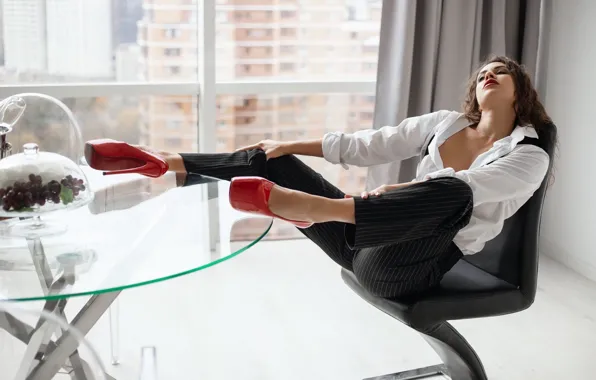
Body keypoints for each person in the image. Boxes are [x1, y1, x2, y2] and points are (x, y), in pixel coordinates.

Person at [85, 55, 556, 300]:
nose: (489, 75)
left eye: (501, 72)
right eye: (483, 74)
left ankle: (323, 210)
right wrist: (289, 145)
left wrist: (399, 191)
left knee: (453, 192)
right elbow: (366, 145)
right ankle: (166, 162)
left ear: (522, 92)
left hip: (405, 266)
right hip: (363, 236)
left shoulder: (529, 156)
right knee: (267, 160)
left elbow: (468, 191)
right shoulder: (444, 124)